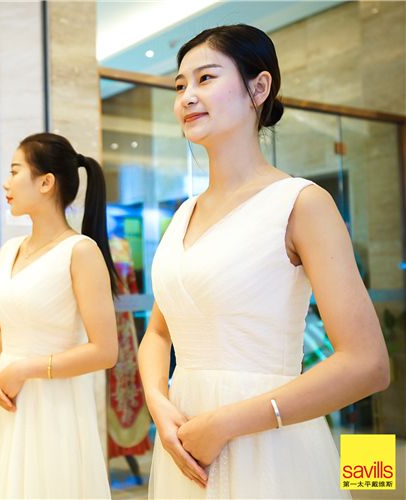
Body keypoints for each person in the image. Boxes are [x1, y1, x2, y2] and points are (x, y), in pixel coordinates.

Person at [138, 24, 389, 498]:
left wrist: (225, 423)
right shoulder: (182, 215)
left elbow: (368, 363)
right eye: (180, 85)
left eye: (206, 78)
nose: (187, 96)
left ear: (259, 88)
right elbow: (158, 332)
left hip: (268, 446)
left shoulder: (301, 203)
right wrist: (158, 401)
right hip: (183, 440)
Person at [0, 132, 118, 498]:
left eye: (14, 172)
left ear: (45, 182)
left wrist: (24, 369)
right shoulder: (9, 250)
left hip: (55, 405)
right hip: (10, 402)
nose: (6, 184)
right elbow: (0, 324)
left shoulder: (80, 251)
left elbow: (105, 351)